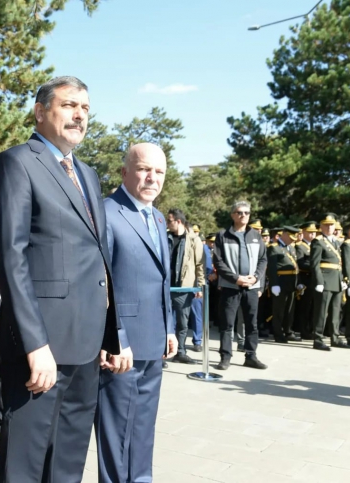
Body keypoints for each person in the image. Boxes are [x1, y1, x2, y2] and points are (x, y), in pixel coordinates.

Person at [0, 76, 120, 482]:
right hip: (40, 349)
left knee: (68, 462)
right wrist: (35, 344)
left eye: (85, 108)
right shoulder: (17, 163)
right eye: (69, 105)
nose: (79, 115)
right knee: (25, 464)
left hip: (85, 345)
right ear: (41, 111)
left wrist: (108, 336)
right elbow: (12, 258)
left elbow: (96, 259)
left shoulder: (89, 175)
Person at [95, 143, 175, 483]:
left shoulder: (157, 217)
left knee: (143, 429)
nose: (151, 178)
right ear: (125, 171)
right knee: (116, 435)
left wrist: (169, 327)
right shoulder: (107, 212)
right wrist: (114, 339)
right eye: (144, 169)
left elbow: (161, 280)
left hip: (154, 341)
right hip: (121, 346)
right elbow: (100, 283)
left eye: (159, 172)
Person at [213, 201, 268, 370]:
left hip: (251, 286)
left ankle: (251, 356)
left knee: (252, 324)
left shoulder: (256, 236)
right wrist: (236, 278)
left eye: (246, 213)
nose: (243, 215)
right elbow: (218, 261)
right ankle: (225, 357)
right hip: (231, 286)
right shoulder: (223, 235)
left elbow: (263, 259)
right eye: (239, 212)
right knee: (227, 324)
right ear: (232, 215)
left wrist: (256, 278)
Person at [167, 208, 205, 364]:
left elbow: (199, 264)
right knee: (164, 322)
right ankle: (164, 353)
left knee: (183, 323)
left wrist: (201, 285)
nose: (167, 224)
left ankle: (180, 352)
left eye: (169, 221)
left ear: (178, 221)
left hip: (184, 288)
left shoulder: (193, 239)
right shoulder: (164, 237)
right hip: (164, 287)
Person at [310, 213, 349, 350]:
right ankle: (318, 339)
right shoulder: (318, 241)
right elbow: (315, 264)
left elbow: (341, 263)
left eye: (331, 225)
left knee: (336, 311)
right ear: (321, 226)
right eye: (326, 225)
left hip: (336, 280)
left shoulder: (337, 242)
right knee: (321, 312)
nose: (329, 227)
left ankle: (335, 337)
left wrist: (343, 279)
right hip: (325, 280)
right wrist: (319, 281)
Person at [267, 226, 302, 343]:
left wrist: (299, 282)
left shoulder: (291, 248)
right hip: (280, 281)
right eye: (292, 237)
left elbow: (295, 266)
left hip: (291, 282)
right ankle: (278, 334)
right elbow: (272, 269)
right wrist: (274, 284)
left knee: (289, 309)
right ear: (285, 234)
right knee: (279, 310)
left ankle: (288, 331)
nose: (293, 240)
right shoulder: (274, 248)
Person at [295, 221, 318, 338]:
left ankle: (312, 329)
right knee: (305, 307)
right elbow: (300, 263)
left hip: (315, 279)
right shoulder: (300, 246)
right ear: (303, 232)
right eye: (310, 232)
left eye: (314, 232)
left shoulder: (316, 245)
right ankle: (304, 331)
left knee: (314, 307)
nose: (313, 235)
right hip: (305, 279)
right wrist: (314, 265)